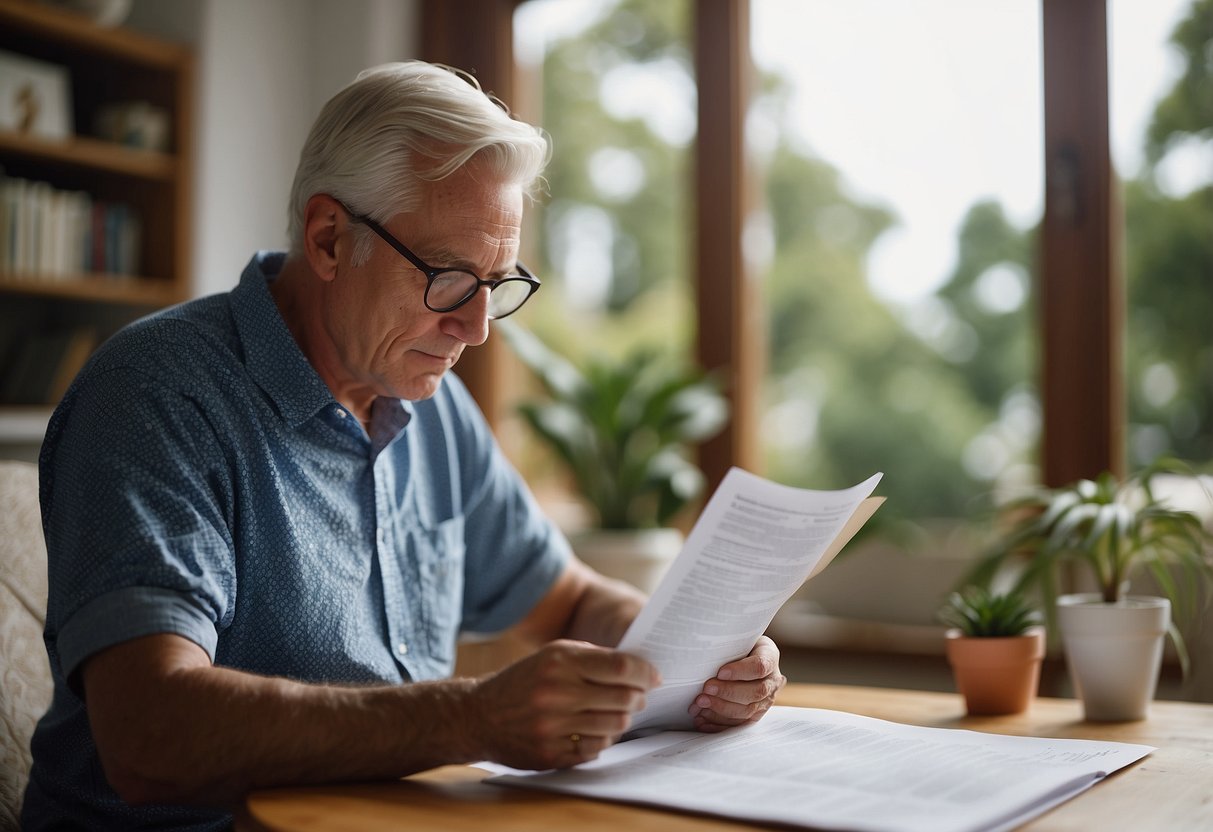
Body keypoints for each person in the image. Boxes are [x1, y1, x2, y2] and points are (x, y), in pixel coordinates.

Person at [22, 61, 785, 831]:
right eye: (450, 277)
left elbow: (574, 599)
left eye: (498, 282)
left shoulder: (431, 405)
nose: (477, 327)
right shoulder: (157, 392)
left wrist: (694, 658)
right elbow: (149, 734)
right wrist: (468, 718)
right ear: (328, 239)